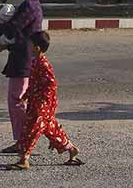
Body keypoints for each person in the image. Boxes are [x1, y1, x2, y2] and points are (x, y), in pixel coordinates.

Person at [6, 31, 82, 171]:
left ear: (38, 48)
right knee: (52, 130)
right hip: (36, 103)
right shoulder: (35, 62)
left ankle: (24, 159)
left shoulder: (44, 65)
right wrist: (27, 94)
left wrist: (44, 104)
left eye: (31, 45)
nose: (28, 48)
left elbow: (51, 85)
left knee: (30, 130)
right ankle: (71, 149)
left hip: (42, 105)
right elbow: (34, 82)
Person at [0, 0, 43, 153]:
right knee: (18, 100)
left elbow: (13, 28)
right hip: (24, 56)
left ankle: (25, 140)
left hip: (23, 59)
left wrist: (1, 25)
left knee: (17, 101)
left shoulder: (28, 7)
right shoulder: (31, 3)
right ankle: (23, 140)